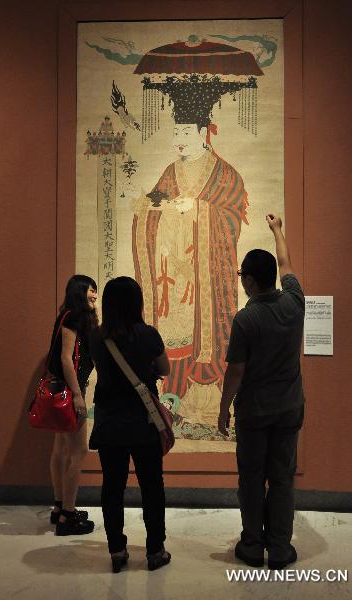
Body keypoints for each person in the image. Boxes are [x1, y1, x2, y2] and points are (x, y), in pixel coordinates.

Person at [132, 120, 248, 429]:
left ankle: (217, 406)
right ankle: (173, 396)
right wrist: (150, 204)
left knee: (211, 331)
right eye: (175, 133)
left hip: (208, 275)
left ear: (202, 133)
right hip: (177, 276)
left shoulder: (224, 173)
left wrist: (198, 209)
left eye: (185, 133)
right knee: (174, 334)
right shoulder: (171, 172)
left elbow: (232, 216)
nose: (178, 140)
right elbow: (154, 207)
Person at [218, 214, 305, 570]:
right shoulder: (294, 302)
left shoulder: (245, 319)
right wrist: (278, 230)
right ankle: (281, 549)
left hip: (254, 411)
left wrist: (224, 409)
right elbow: (285, 262)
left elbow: (235, 372)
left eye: (241, 276)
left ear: (250, 281)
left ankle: (253, 546)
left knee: (252, 479)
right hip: (289, 408)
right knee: (282, 479)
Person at [89, 276, 171, 573]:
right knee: (152, 486)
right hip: (143, 421)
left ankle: (117, 549)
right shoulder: (148, 335)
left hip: (110, 421)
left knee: (112, 486)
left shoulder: (97, 337)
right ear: (138, 302)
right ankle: (155, 550)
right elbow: (165, 368)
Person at [48, 275, 98, 535]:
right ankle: (68, 513)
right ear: (79, 291)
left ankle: (59, 508)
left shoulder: (65, 316)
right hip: (70, 392)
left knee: (60, 450)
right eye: (91, 290)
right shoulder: (73, 319)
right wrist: (78, 395)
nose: (94, 295)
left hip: (60, 390)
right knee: (78, 452)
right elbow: (67, 360)